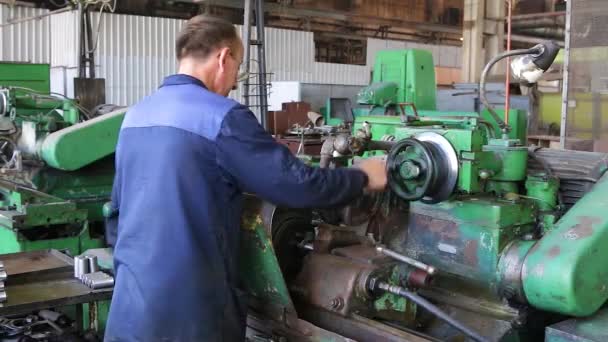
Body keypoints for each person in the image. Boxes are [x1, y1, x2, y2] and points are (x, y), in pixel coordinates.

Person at [104, 14, 387, 341]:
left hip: (131, 305)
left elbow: (116, 215)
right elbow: (295, 185)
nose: (236, 81)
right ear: (224, 57)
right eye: (238, 67)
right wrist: (362, 177)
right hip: (189, 315)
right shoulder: (221, 117)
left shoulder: (135, 116)